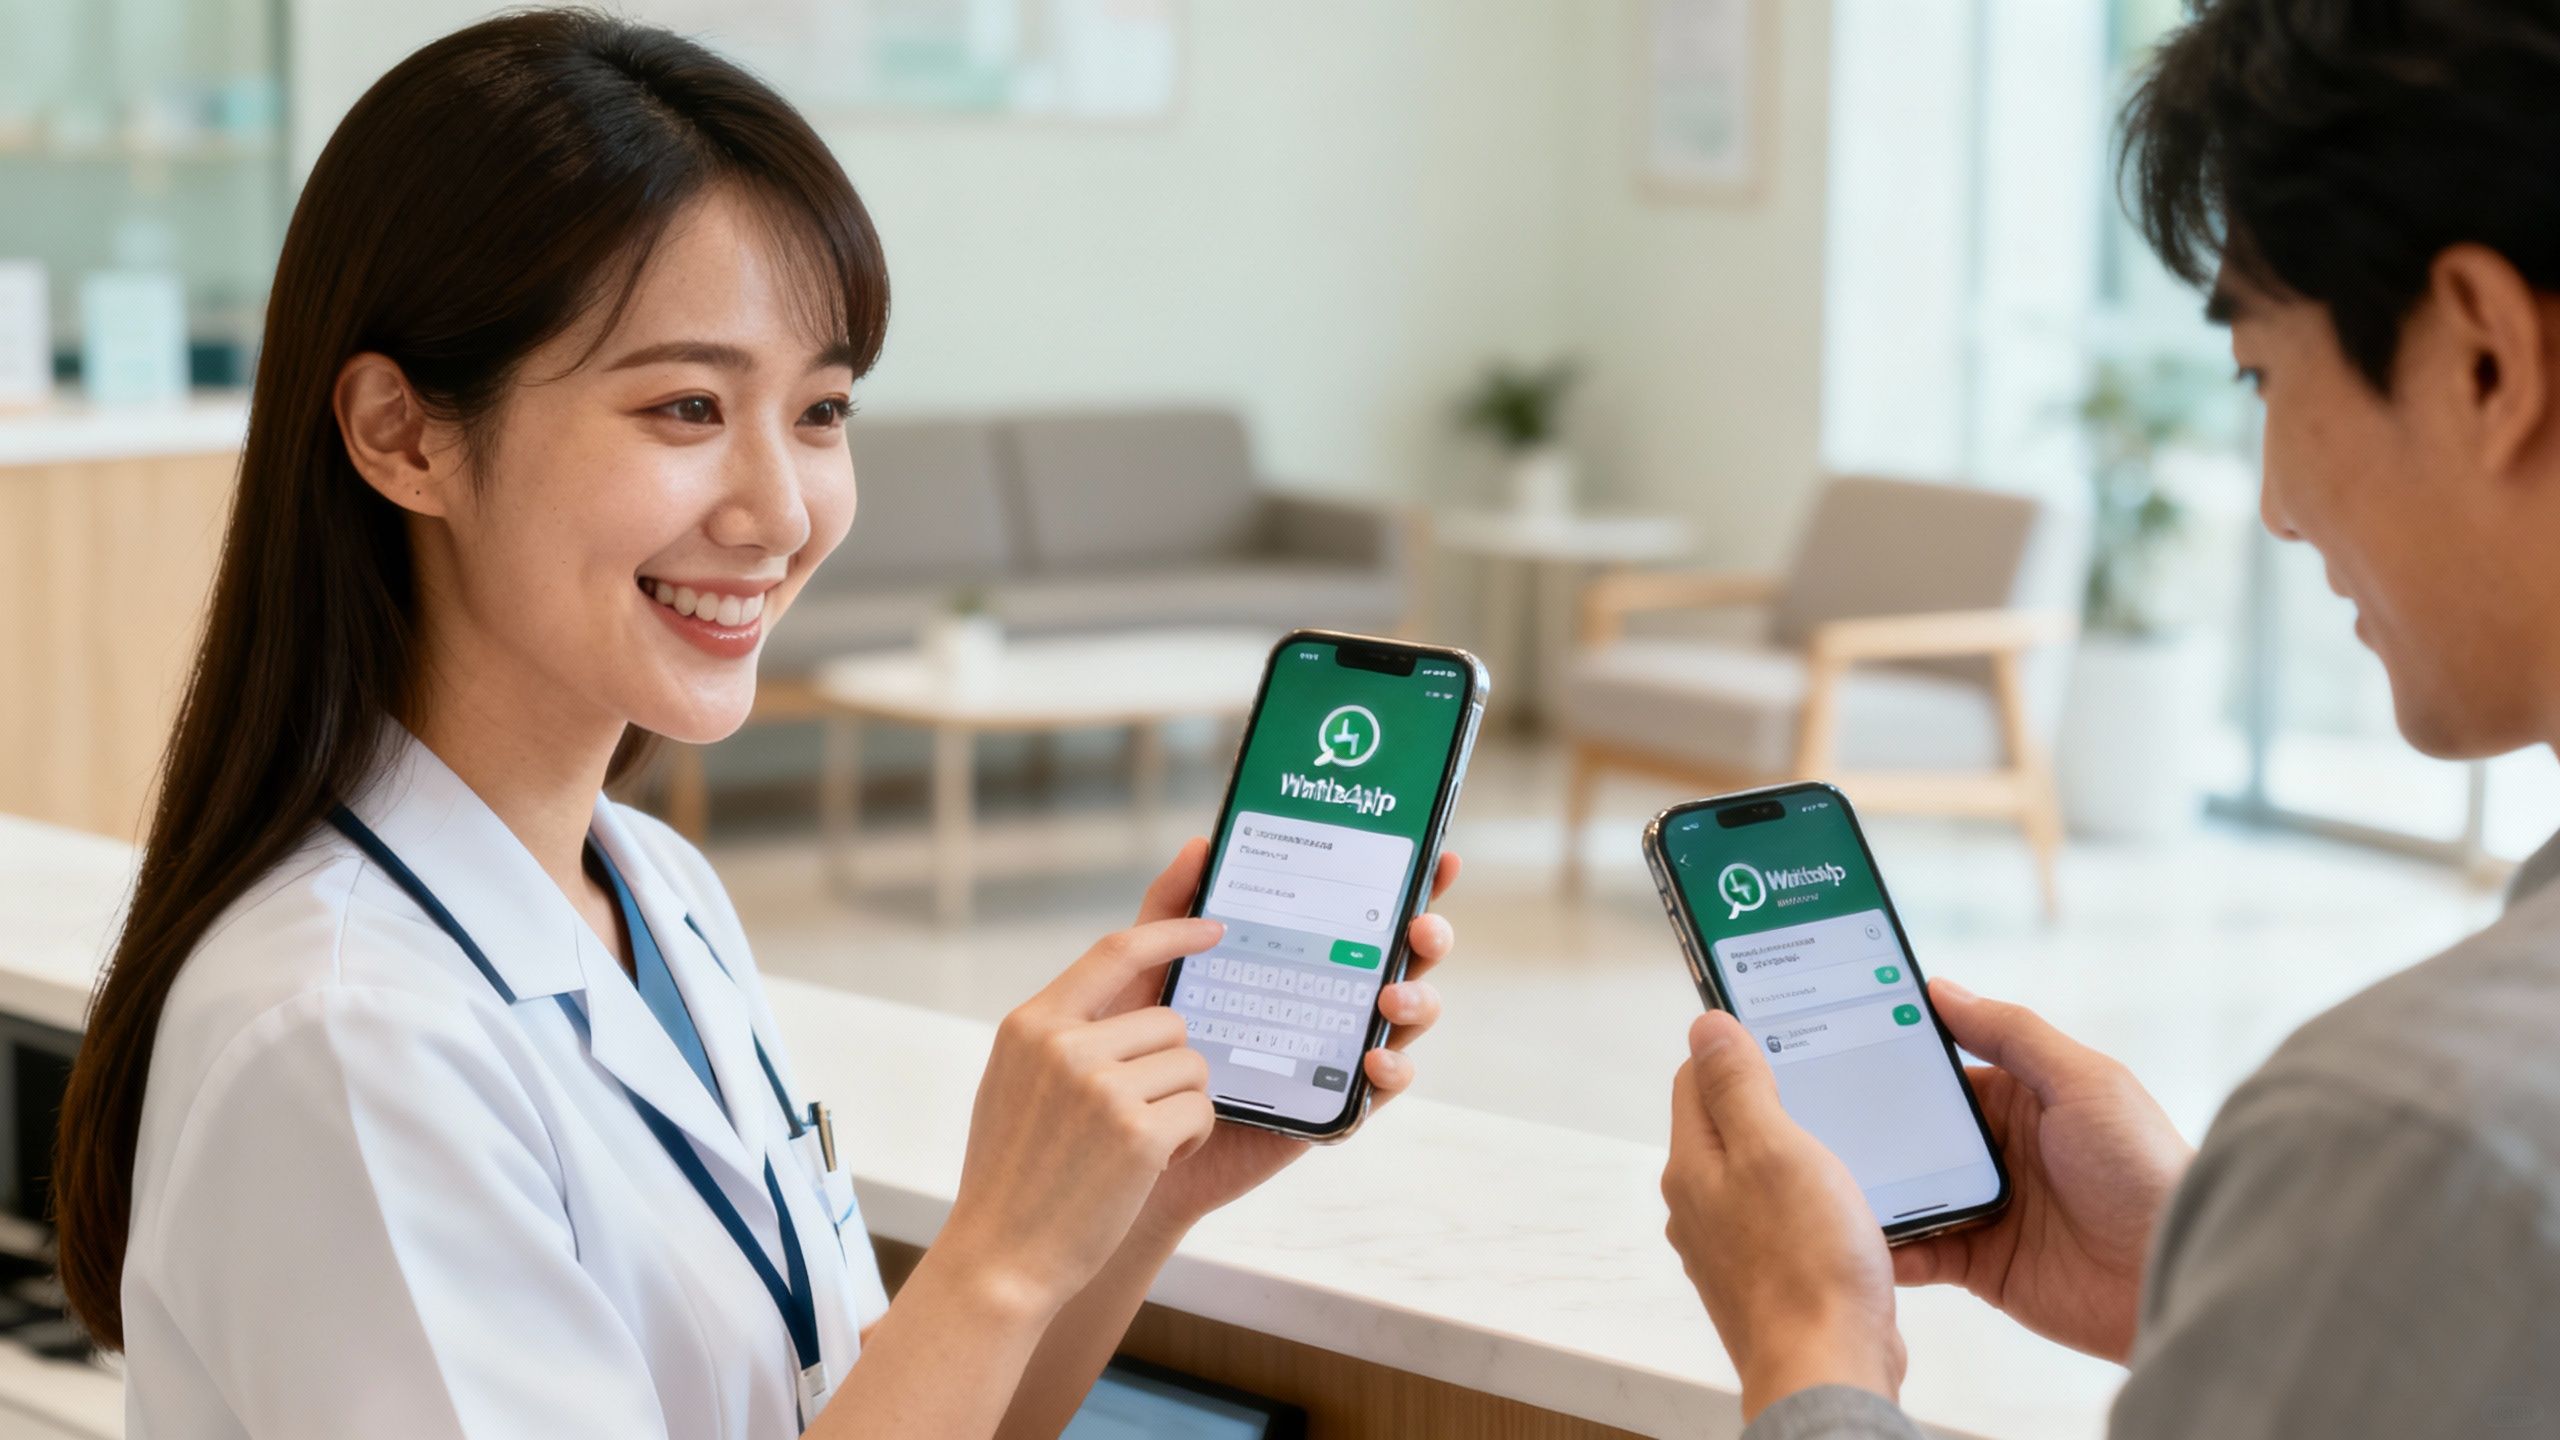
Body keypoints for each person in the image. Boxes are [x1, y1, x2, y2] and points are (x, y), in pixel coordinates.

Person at [47, 13, 1458, 1438]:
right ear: (404, 436)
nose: (781, 514)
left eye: (823, 410)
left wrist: (1129, 1206)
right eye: (685, 406)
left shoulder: (658, 894)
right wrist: (994, 1254)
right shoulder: (346, 1039)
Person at [1658, 1, 2560, 1434]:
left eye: (2264, 374)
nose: (2274, 503)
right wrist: (2230, 1293)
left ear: (2483, 358)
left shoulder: (2421, 1133)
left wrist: (1810, 1345)